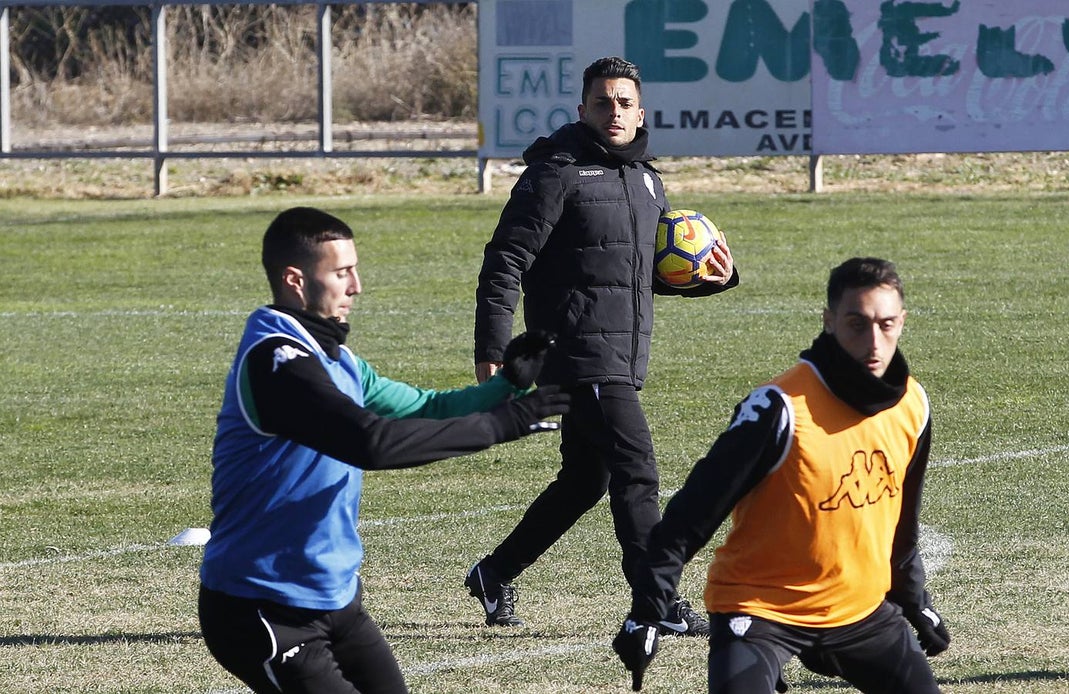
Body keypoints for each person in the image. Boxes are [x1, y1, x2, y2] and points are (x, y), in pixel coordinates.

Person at [198, 206, 570, 694]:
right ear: (295, 279)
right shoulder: (276, 363)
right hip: (262, 608)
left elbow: (426, 408)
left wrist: (505, 389)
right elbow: (371, 443)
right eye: (340, 273)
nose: (356, 287)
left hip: (336, 599)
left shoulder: (339, 359)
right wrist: (506, 423)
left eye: (354, 270)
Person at [465, 56, 738, 636]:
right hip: (574, 351)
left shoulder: (647, 180)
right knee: (636, 466)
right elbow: (506, 259)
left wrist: (714, 275)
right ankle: (656, 600)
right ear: (582, 110)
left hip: (622, 354)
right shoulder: (555, 173)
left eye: (623, 102)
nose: (613, 111)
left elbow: (639, 273)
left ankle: (494, 573)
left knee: (585, 481)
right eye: (602, 102)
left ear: (640, 112)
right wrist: (492, 344)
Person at [613, 257, 950, 693]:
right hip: (760, 609)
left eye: (886, 324)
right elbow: (687, 519)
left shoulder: (913, 405)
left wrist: (913, 599)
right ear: (828, 321)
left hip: (860, 612)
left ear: (902, 322)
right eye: (856, 323)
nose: (873, 342)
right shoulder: (780, 408)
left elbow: (902, 523)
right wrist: (648, 610)